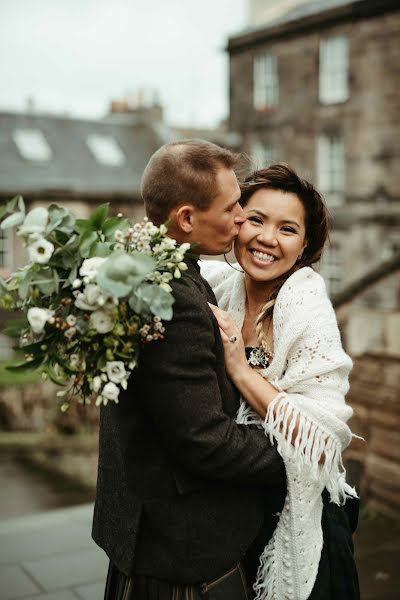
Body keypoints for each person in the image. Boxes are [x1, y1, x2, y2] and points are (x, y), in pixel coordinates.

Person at [92, 140, 287, 600]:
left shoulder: (146, 269)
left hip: (147, 524)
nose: (243, 217)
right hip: (180, 547)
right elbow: (206, 442)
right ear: (185, 218)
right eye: (233, 206)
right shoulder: (173, 302)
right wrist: (295, 452)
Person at [202, 163, 360, 600]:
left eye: (287, 229)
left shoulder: (306, 302)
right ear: (236, 222)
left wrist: (239, 368)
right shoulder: (220, 283)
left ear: (304, 244)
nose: (267, 238)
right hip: (237, 511)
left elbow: (320, 437)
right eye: (256, 220)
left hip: (299, 512)